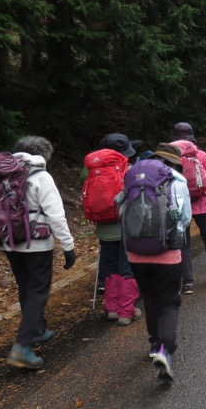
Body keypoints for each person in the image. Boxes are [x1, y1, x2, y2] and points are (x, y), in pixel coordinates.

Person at [2, 135, 76, 369]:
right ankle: (23, 347)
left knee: (26, 287)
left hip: (9, 242)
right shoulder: (41, 176)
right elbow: (55, 214)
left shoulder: (2, 174)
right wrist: (68, 246)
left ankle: (37, 330)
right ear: (44, 155)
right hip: (37, 243)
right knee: (38, 291)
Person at [125, 143, 192, 381]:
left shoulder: (132, 174)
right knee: (169, 302)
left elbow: (120, 205)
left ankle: (154, 345)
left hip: (135, 252)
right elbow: (184, 216)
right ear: (173, 162)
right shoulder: (176, 179)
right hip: (166, 253)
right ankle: (164, 349)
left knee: (150, 298)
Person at [87, 133, 139, 324]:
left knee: (109, 266)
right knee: (127, 267)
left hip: (103, 227)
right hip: (126, 226)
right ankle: (127, 311)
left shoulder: (92, 171)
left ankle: (112, 308)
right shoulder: (130, 171)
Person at [169, 122, 206, 293]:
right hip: (202, 202)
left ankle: (188, 282)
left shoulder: (169, 156)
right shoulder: (199, 154)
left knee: (184, 243)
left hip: (178, 205)